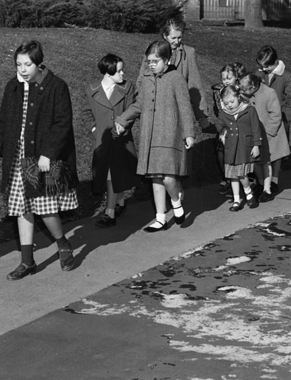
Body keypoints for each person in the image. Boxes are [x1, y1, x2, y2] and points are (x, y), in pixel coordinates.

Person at [0, 40, 78, 280]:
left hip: (41, 157)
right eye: (18, 64)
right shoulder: (13, 87)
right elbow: (3, 120)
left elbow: (62, 123)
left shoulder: (56, 86)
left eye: (28, 64)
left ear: (39, 64)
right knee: (21, 209)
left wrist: (48, 153)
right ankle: (27, 262)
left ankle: (63, 244)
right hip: (18, 157)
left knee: (45, 209)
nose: (22, 69)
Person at [115, 40, 196, 232]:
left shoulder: (176, 78)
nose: (151, 64)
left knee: (168, 177)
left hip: (170, 134)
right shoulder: (147, 79)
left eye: (155, 61)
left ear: (167, 60)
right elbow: (138, 105)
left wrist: (189, 134)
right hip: (149, 135)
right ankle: (160, 218)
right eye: (149, 61)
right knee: (156, 178)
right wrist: (122, 120)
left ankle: (176, 203)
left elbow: (185, 107)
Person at [81, 54, 139, 228]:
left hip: (121, 140)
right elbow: (85, 113)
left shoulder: (128, 88)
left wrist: (124, 126)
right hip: (102, 140)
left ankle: (110, 213)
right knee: (109, 173)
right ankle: (120, 202)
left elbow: (133, 111)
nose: (123, 74)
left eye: (122, 70)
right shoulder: (92, 89)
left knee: (113, 174)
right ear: (108, 72)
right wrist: (93, 129)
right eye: (119, 71)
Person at [137, 18, 210, 129]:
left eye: (180, 37)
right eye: (173, 38)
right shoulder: (152, 51)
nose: (177, 41)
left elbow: (195, 85)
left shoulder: (189, 53)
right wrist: (138, 106)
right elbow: (142, 80)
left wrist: (201, 115)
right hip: (155, 108)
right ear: (165, 36)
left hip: (177, 109)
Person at [215, 85, 268, 211]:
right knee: (232, 175)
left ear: (238, 97)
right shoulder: (224, 113)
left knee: (241, 173)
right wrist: (220, 111)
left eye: (232, 101)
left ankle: (248, 193)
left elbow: (256, 129)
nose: (230, 105)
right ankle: (237, 200)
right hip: (231, 148)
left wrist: (256, 145)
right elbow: (218, 126)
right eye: (226, 103)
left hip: (244, 147)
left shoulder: (249, 110)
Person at [239, 73, 290, 203]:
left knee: (273, 157)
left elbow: (276, 114)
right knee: (257, 160)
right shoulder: (247, 94)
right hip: (256, 133)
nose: (243, 91)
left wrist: (268, 133)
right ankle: (262, 183)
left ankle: (273, 182)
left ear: (254, 86)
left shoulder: (269, 93)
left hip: (271, 132)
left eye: (245, 89)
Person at [255, 45, 291, 194]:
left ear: (275, 62)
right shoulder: (259, 75)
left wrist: (285, 121)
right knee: (264, 151)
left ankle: (274, 179)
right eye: (261, 66)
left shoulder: (286, 76)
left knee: (276, 153)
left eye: (267, 66)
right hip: (261, 119)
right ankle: (262, 180)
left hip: (279, 119)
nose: (264, 69)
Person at [212, 62, 246, 195]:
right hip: (224, 128)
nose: (226, 81)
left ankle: (239, 183)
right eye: (223, 78)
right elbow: (218, 110)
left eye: (229, 78)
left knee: (236, 157)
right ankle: (227, 179)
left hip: (236, 128)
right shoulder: (219, 92)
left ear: (236, 77)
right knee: (221, 156)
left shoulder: (239, 91)